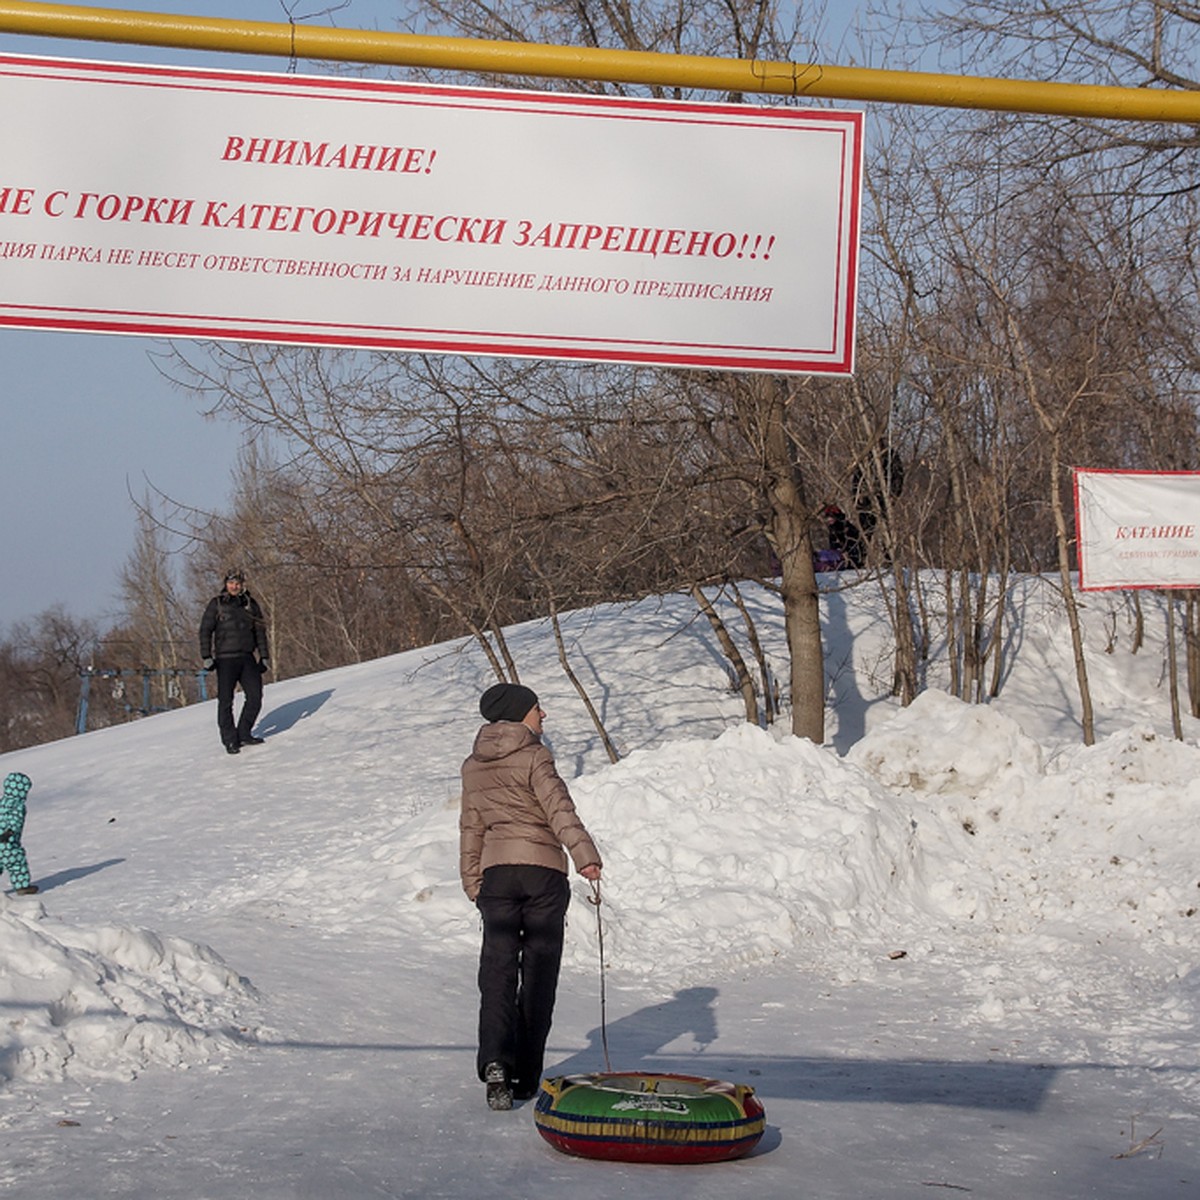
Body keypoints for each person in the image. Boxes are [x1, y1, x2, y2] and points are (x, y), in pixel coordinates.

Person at [460, 682, 603, 1111]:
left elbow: (471, 826)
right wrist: (586, 857)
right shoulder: (535, 756)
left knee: (497, 973)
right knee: (538, 974)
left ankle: (495, 1064)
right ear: (522, 713)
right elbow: (559, 808)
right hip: (542, 875)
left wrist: (472, 879)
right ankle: (524, 1076)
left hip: (497, 878)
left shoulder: (473, 765)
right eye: (539, 709)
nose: (544, 716)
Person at [198, 567, 270, 755]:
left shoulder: (250, 604)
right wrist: (206, 656)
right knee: (225, 701)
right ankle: (230, 740)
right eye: (231, 583)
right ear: (225, 584)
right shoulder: (217, 604)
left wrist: (264, 656)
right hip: (225, 659)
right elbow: (205, 630)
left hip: (247, 657)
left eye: (237, 583)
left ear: (242, 584)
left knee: (255, 697)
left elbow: (260, 632)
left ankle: (244, 733)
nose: (234, 586)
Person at [0, 771, 38, 895]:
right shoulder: (18, 805)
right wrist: (9, 832)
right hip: (8, 842)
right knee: (17, 862)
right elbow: (15, 819)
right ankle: (22, 886)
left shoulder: (2, 802)